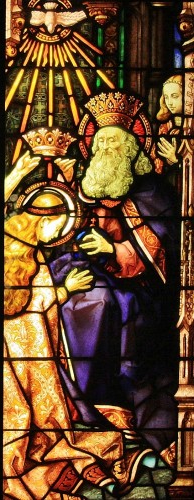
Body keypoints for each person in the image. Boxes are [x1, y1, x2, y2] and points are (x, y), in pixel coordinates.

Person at [3, 154, 156, 498]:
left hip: (28, 352)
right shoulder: (15, 252)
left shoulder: (26, 249)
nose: (59, 234)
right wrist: (65, 291)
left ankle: (97, 459)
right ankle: (86, 462)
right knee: (42, 425)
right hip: (14, 359)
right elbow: (17, 307)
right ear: (41, 222)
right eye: (57, 226)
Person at [54, 124, 180, 461]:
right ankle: (73, 408)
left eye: (114, 140)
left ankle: (108, 409)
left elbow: (164, 252)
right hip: (93, 273)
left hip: (142, 289)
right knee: (61, 298)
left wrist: (112, 249)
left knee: (99, 303)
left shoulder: (152, 191)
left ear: (131, 148)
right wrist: (67, 188)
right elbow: (63, 232)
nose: (105, 148)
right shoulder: (90, 185)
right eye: (100, 142)